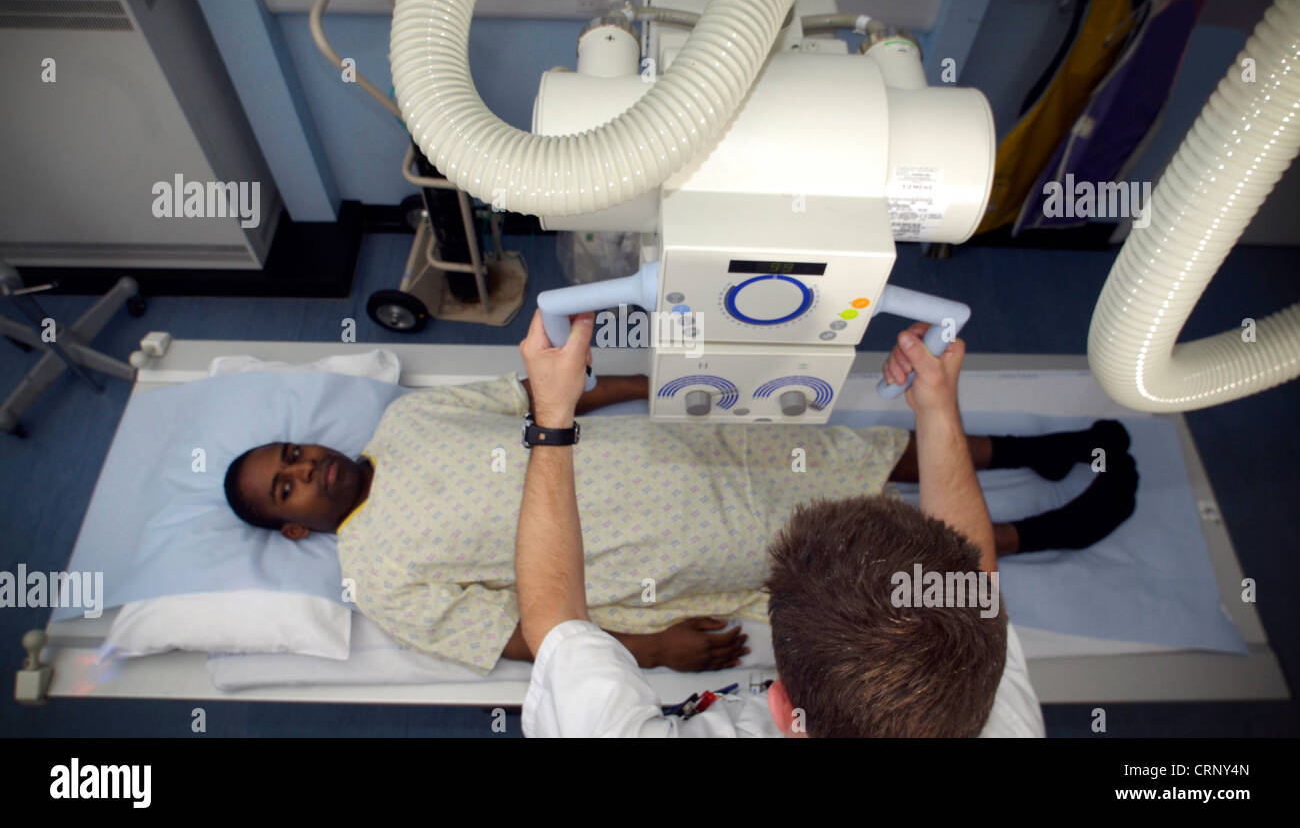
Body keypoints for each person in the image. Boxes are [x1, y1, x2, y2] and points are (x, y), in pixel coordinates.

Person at [223, 336, 1136, 677]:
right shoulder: (374, 572)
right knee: (852, 548)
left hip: (678, 444)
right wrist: (653, 651)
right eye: (287, 486)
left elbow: (549, 391)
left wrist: (653, 384)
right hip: (667, 545)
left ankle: (1033, 449)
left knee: (849, 452)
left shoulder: (408, 416)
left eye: (293, 452)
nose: (307, 468)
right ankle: (1051, 528)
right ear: (294, 525)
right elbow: (515, 633)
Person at [515, 313, 1053, 737]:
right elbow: (972, 585)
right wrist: (936, 408)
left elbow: (557, 627)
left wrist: (551, 419)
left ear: (778, 703)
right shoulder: (980, 693)